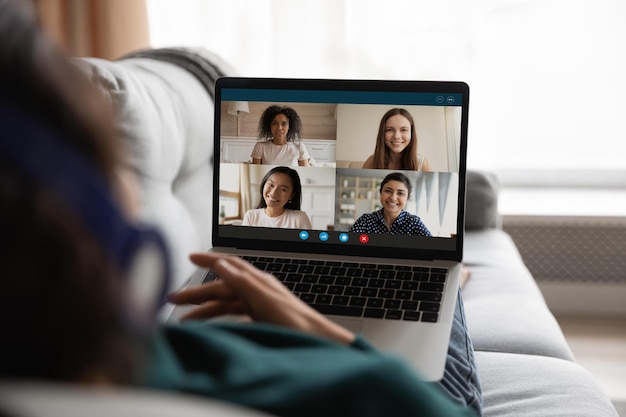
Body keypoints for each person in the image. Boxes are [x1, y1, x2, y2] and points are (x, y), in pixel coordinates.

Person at [0, 1, 482, 416]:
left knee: (436, 268)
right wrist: (305, 321)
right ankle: (451, 292)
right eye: (113, 161)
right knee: (445, 286)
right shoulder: (188, 368)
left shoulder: (119, 356)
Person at [350, 172, 432, 236]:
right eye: (388, 191)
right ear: (380, 193)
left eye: (400, 193)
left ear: (407, 198)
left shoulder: (413, 222)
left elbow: (432, 247)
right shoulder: (365, 220)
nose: (393, 197)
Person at [241, 166, 312, 229]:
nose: (273, 193)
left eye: (283, 189)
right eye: (271, 185)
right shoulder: (251, 216)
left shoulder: (300, 218)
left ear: (291, 195)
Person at [362, 108, 431, 171]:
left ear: (411, 133)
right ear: (382, 133)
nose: (396, 136)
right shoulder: (371, 162)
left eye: (403, 130)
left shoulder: (422, 164)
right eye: (390, 130)